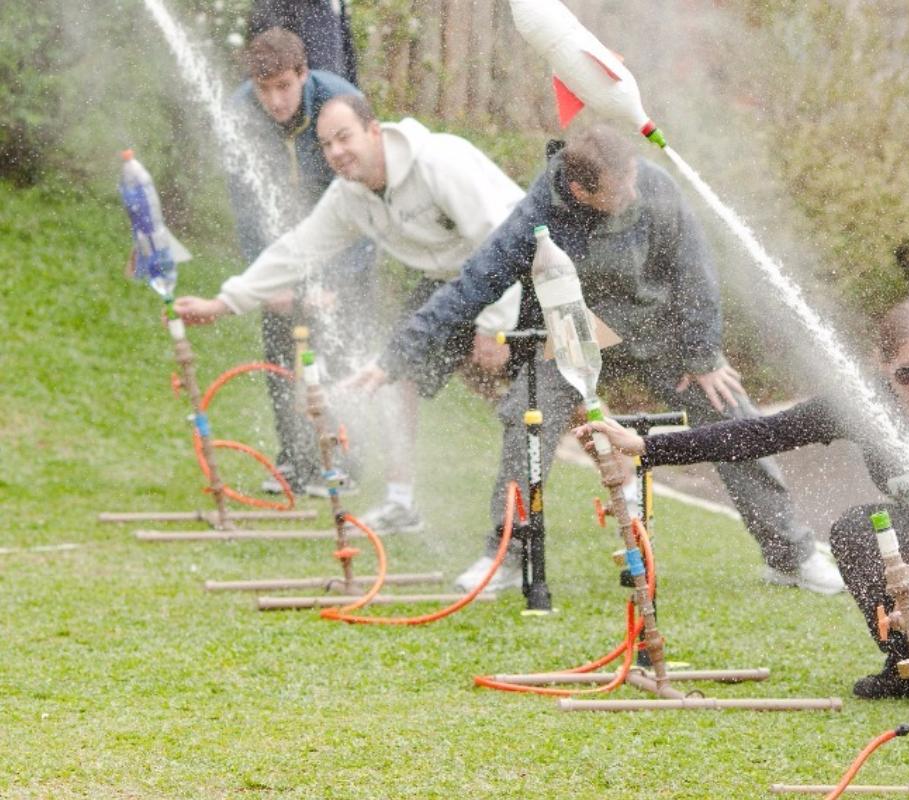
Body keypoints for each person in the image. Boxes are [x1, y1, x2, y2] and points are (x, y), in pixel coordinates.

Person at [355, 124, 844, 596]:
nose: (634, 192)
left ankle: (791, 555)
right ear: (579, 189)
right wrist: (394, 359)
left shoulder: (654, 186)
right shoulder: (537, 214)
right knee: (529, 415)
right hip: (577, 327)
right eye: (620, 187)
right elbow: (472, 285)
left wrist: (702, 354)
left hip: (661, 326)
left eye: (633, 177)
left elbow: (695, 271)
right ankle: (506, 556)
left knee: (728, 405)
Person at [579, 301, 909, 704]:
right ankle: (904, 664)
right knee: (855, 531)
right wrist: (647, 447)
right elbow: (762, 434)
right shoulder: (861, 406)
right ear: (882, 365)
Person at [175, 94, 523, 534]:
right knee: (394, 368)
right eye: (326, 145)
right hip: (452, 283)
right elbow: (298, 250)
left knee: (550, 379)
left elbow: (497, 235)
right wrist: (225, 302)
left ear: (374, 131)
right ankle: (400, 504)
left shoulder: (438, 162)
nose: (337, 152)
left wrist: (494, 324)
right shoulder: (350, 197)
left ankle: (622, 475)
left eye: (345, 138)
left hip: (522, 265)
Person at [225, 27, 366, 499]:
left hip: (346, 243)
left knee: (340, 354)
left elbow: (366, 198)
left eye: (284, 87)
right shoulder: (240, 113)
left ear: (304, 75)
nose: (276, 101)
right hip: (282, 245)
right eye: (265, 90)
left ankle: (343, 454)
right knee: (281, 357)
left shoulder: (339, 105)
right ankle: (293, 458)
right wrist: (266, 281)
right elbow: (246, 207)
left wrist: (335, 283)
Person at [249, 0, 357, 85]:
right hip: (297, 91)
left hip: (336, 87)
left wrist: (351, 88)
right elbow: (267, 54)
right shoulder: (274, 5)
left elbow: (347, 48)